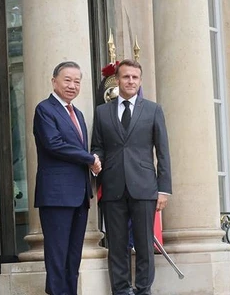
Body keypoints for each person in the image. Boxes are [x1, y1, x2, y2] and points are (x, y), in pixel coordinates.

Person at [91, 59, 172, 295]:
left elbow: (163, 152)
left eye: (135, 77)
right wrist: (95, 160)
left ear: (140, 80)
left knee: (145, 244)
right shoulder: (102, 112)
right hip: (113, 187)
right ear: (118, 80)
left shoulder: (153, 110)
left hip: (145, 187)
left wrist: (164, 190)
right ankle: (121, 289)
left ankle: (144, 289)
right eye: (126, 77)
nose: (130, 81)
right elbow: (98, 146)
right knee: (117, 244)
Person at [33, 61, 101, 295]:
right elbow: (54, 144)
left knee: (73, 257)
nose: (72, 85)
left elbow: (77, 150)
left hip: (80, 195)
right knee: (57, 255)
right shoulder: (45, 109)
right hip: (56, 195)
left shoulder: (78, 114)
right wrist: (89, 158)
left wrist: (91, 164)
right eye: (67, 80)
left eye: (77, 81)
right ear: (54, 82)